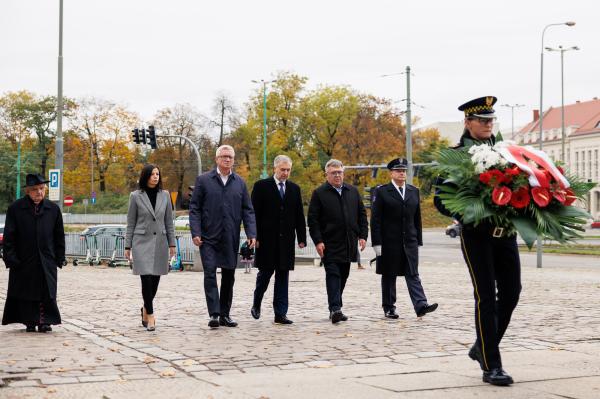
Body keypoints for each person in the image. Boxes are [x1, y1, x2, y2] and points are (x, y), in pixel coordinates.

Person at [434, 96, 521, 386]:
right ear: (468, 122)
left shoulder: (506, 152)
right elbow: (441, 200)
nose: (488, 124)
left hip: (505, 233)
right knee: (486, 297)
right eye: (482, 120)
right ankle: (491, 366)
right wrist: (468, 211)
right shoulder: (456, 156)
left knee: (511, 292)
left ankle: (481, 347)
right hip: (477, 235)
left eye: (490, 120)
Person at [189, 145, 256, 328]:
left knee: (229, 275)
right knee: (210, 273)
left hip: (230, 237)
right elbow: (194, 208)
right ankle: (214, 313)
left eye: (230, 157)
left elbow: (247, 210)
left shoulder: (240, 183)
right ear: (217, 159)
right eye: (224, 156)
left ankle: (225, 314)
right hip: (208, 237)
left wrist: (251, 233)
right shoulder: (204, 180)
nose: (227, 160)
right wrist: (196, 232)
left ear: (234, 160)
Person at [370, 158, 438, 319]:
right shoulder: (382, 192)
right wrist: (377, 243)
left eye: (404, 171)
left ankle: (421, 305)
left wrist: (418, 240)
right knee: (389, 274)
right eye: (398, 171)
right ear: (391, 173)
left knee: (413, 273)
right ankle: (389, 307)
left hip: (410, 242)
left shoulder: (413, 191)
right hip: (389, 243)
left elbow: (417, 219)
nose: (402, 173)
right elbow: (376, 220)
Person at [2, 173, 65, 333]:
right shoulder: (16, 209)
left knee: (46, 292)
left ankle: (45, 321)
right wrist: (12, 259)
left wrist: (59, 257)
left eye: (42, 189)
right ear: (28, 191)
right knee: (26, 291)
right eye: (35, 189)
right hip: (24, 259)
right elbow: (9, 237)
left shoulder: (53, 209)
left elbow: (59, 236)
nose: (39, 193)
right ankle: (29, 320)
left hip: (46, 259)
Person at [307, 159, 368, 324]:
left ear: (343, 173)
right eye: (333, 173)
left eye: (339, 172)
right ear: (326, 174)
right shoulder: (319, 193)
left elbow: (362, 215)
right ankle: (335, 308)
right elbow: (313, 220)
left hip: (349, 242)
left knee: (344, 275)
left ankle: (336, 307)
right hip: (329, 244)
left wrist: (363, 235)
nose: (337, 175)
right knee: (333, 274)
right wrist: (318, 241)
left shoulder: (352, 191)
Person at [250, 155, 307, 325]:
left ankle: (280, 313)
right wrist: (255, 236)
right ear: (275, 168)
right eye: (282, 169)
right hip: (266, 241)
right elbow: (254, 214)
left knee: (283, 277)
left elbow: (298, 215)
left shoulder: (294, 189)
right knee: (265, 275)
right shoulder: (261, 187)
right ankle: (257, 302)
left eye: (288, 170)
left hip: (286, 241)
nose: (285, 173)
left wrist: (302, 238)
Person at [125, 164, 175, 331]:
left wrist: (172, 243)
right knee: (145, 278)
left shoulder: (165, 195)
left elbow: (169, 221)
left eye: (157, 174)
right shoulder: (135, 196)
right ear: (145, 176)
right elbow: (130, 222)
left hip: (160, 242)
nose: (156, 177)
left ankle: (145, 308)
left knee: (155, 280)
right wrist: (127, 245)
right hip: (141, 242)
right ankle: (151, 316)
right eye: (153, 174)